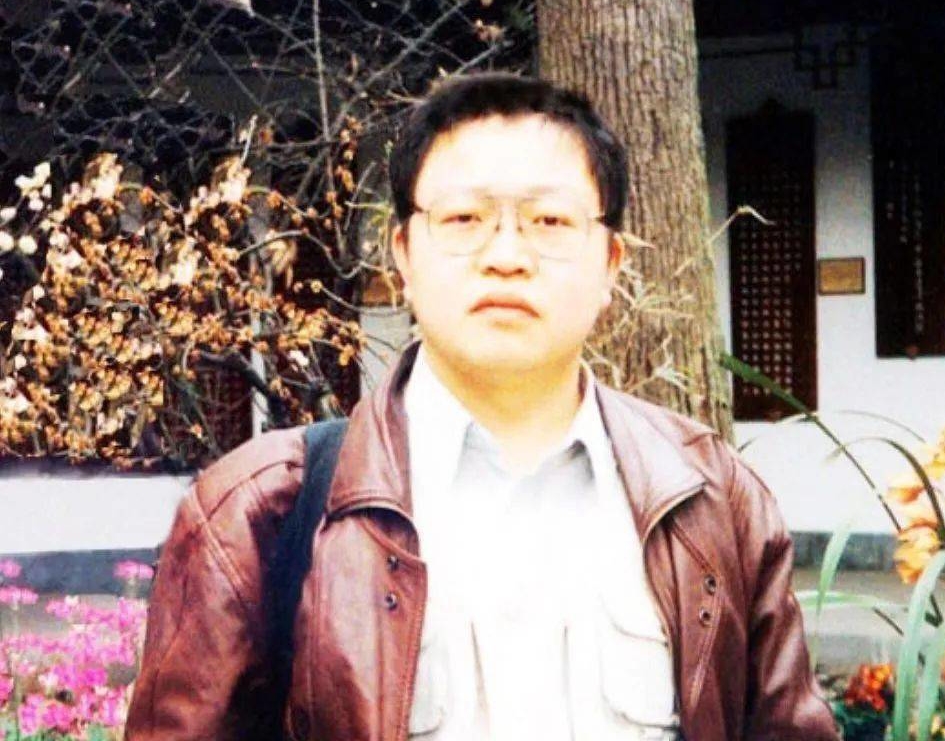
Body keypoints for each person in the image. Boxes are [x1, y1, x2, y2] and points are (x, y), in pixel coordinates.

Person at [125, 72, 838, 741]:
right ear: (403, 255)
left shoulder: (712, 501)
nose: (506, 255)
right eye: (464, 217)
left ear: (610, 265)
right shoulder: (257, 514)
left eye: (549, 220)